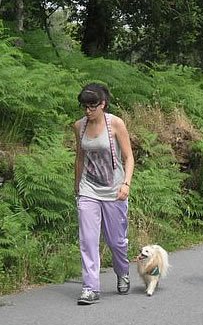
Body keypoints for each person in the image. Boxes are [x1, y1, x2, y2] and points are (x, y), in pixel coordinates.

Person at [74, 83, 134, 305]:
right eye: (84, 107)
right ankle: (90, 287)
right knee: (88, 240)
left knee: (116, 241)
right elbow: (80, 158)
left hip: (114, 189)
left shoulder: (115, 124)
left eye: (92, 107)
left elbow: (129, 158)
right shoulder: (79, 126)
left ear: (103, 104)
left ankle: (123, 271)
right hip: (89, 188)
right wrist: (77, 187)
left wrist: (126, 184)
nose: (88, 111)